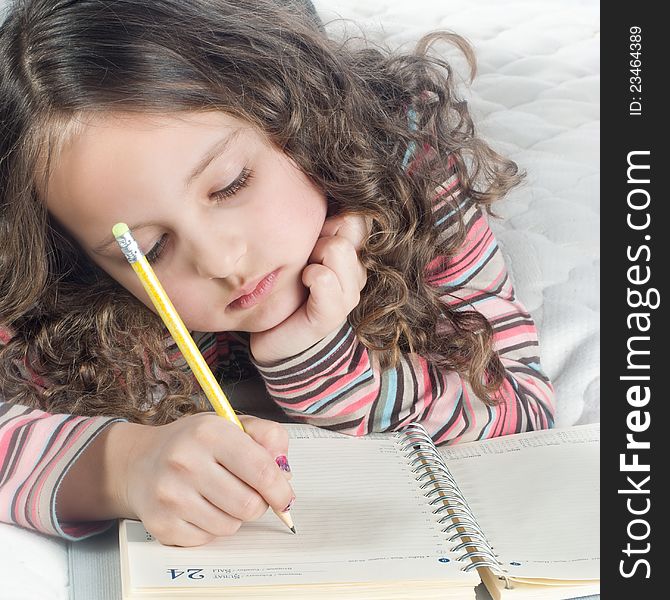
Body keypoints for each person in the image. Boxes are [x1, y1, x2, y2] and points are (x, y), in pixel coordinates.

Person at [0, 0, 554, 547]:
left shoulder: (408, 165)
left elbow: (523, 409)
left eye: (231, 185)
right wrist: (118, 468)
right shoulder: (64, 291)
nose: (220, 262)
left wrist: (325, 367)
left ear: (298, 117)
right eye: (150, 248)